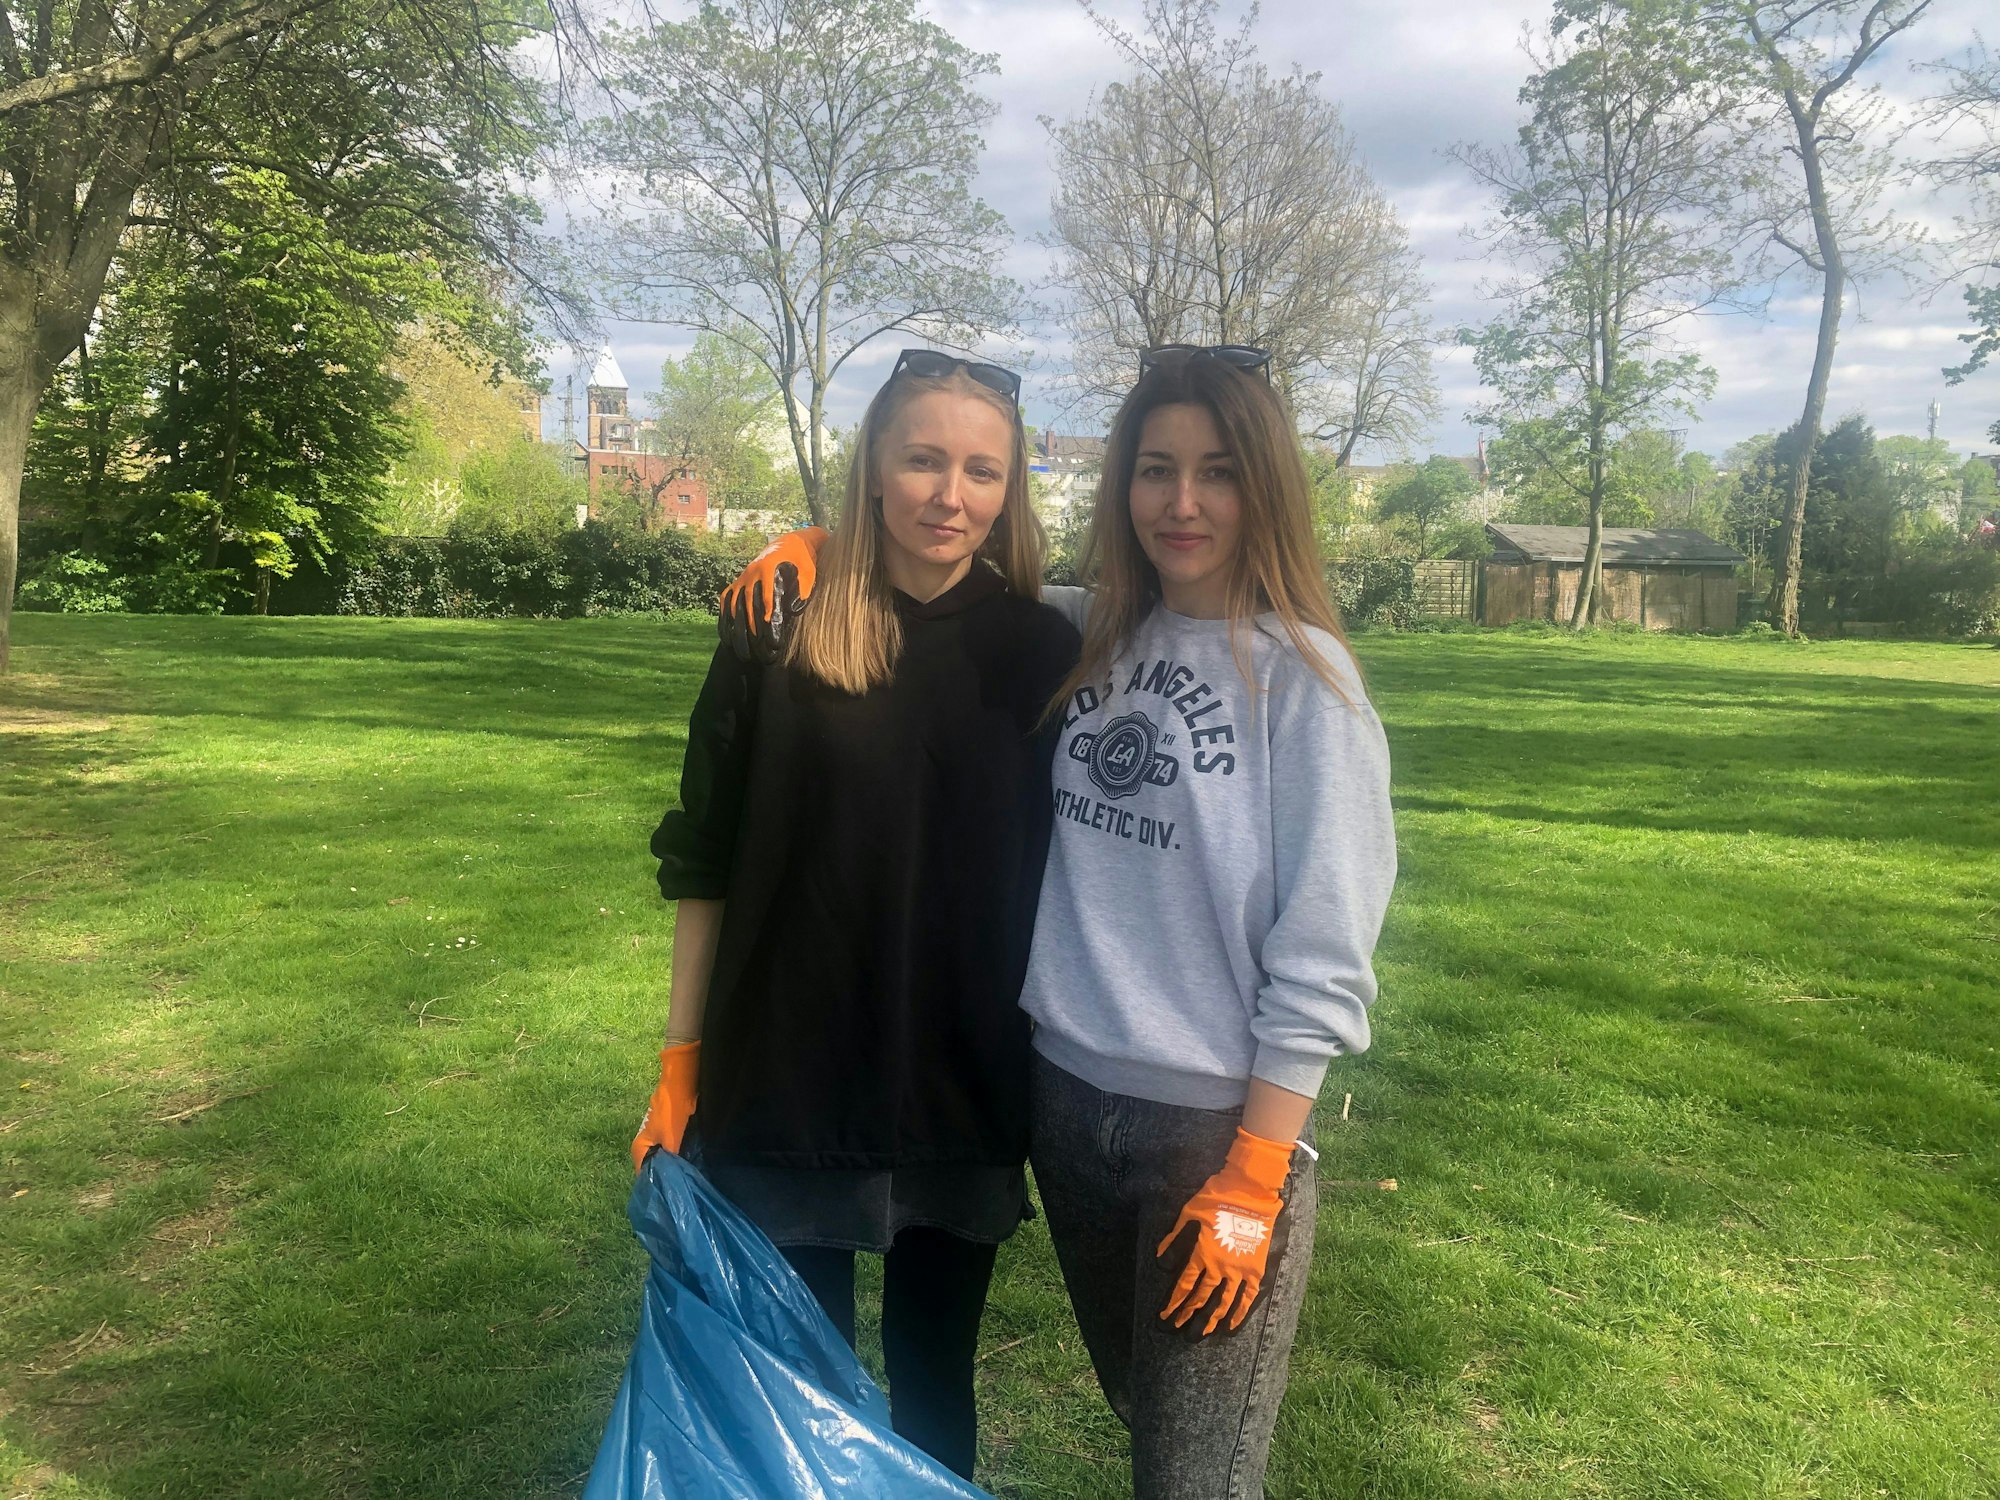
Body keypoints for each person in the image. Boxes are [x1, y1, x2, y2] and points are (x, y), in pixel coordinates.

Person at [720, 343, 1397, 1499]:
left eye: (1218, 473)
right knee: (1146, 1411)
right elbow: (940, 569)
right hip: (1063, 1110)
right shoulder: (1091, 633)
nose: (1181, 503)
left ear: (1267, 490)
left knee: (1193, 1473)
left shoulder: (1305, 682)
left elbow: (1325, 946)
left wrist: (1253, 1173)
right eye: (1154, 469)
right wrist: (821, 544)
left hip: (1209, 1136)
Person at [631, 350, 1081, 1482]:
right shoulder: (775, 624)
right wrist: (679, 1060)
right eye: (922, 459)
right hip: (789, 1073)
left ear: (1011, 491)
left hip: (962, 1079)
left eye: (981, 470)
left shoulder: (1046, 651)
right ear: (872, 468)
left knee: (935, 1382)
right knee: (800, 1396)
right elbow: (704, 857)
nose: (949, 495)